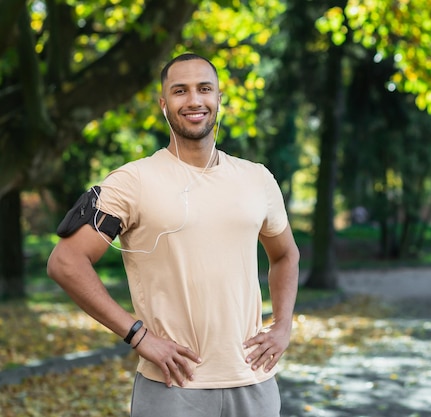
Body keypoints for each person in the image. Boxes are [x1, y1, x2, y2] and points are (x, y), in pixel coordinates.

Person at [47, 52, 300, 417]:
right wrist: (138, 336)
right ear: (164, 105)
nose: (194, 100)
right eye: (180, 91)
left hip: (255, 382)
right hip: (173, 386)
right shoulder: (131, 182)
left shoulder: (257, 178)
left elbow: (286, 254)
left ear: (218, 99)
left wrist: (283, 326)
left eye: (204, 89)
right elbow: (65, 262)